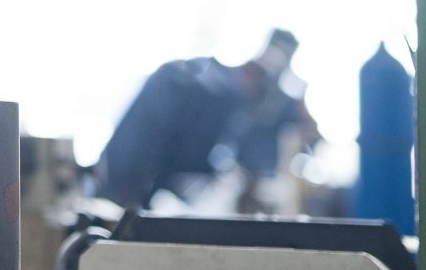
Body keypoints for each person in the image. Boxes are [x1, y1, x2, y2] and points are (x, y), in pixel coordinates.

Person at [93, 28, 319, 212]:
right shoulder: (185, 82)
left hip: (156, 200)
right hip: (129, 199)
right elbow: (131, 156)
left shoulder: (255, 107)